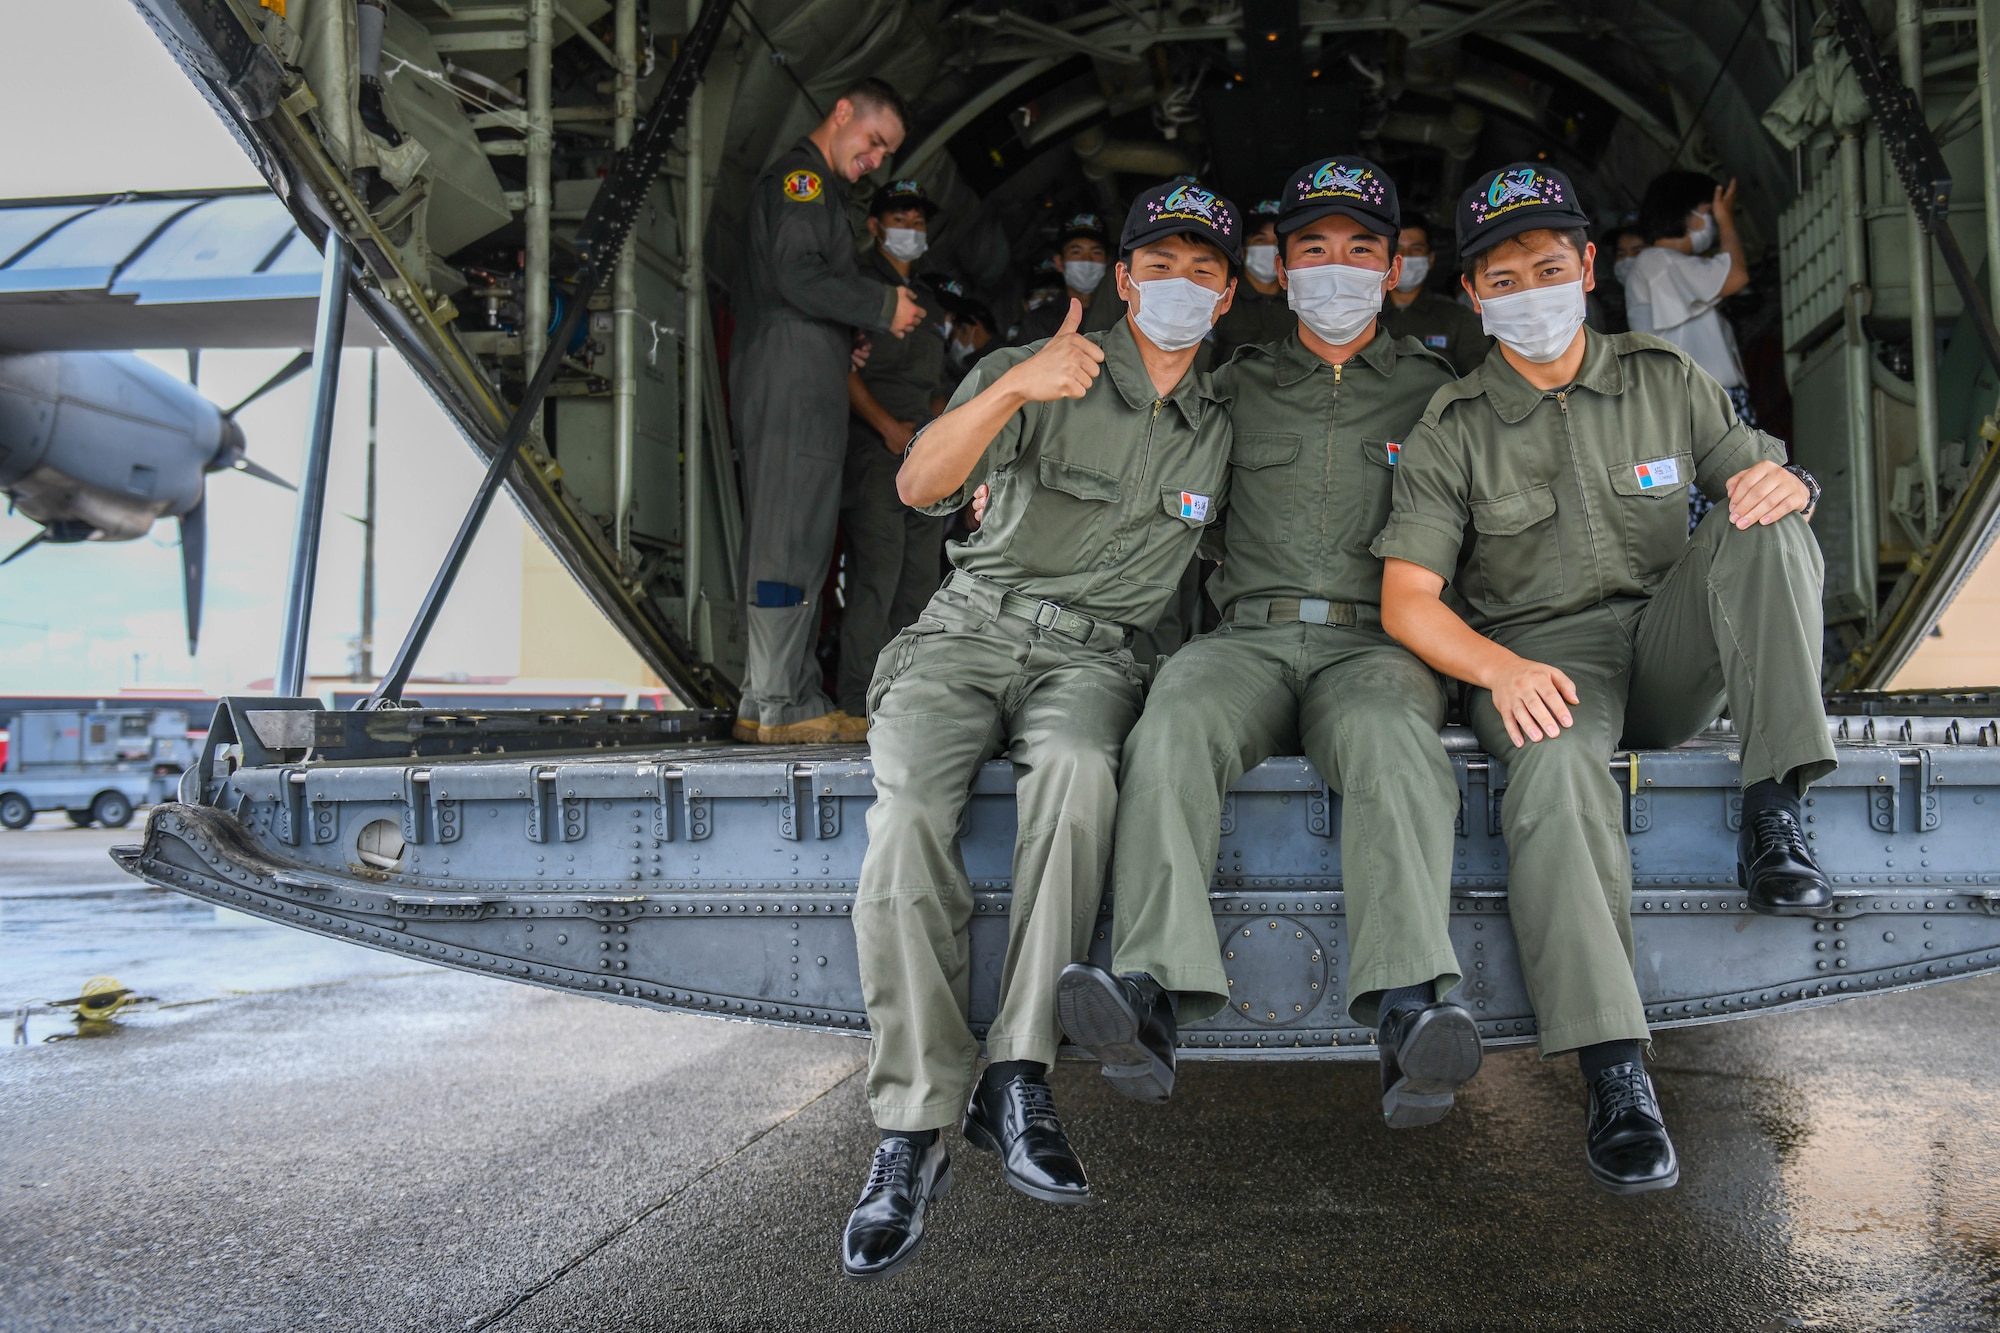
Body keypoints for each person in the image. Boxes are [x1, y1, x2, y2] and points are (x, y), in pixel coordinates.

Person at [1371, 162, 1838, 1196]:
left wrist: (1788, 477)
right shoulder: (1452, 425)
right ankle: (1614, 1071)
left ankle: (1774, 806)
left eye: (1547, 266)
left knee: (1764, 524)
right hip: (1545, 657)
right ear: (1477, 297)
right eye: (1502, 279)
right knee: (1549, 778)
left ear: (1584, 266)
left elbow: (1751, 466)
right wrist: (1496, 670)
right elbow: (1406, 600)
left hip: (1669, 637)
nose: (1528, 292)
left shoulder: (1664, 376)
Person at [840, 182, 1242, 1281]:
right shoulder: (1042, 369)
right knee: (908, 821)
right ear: (1121, 280)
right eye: (1158, 264)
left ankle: (1016, 1076)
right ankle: (911, 1127)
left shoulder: (1225, 421)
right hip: (967, 632)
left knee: (1073, 775)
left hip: (1097, 658)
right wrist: (1014, 383)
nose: (1179, 285)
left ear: (1229, 292)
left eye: (1203, 268)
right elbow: (922, 482)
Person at [1057, 155, 1475, 1131]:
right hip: (1243, 640)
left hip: (1377, 646)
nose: (1336, 269)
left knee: (1390, 742)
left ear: (1391, 267)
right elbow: (1145, 480)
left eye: (1359, 250)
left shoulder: (1435, 392)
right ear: (1276, 270)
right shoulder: (1230, 384)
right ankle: (1149, 998)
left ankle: (1410, 1008)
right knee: (1172, 719)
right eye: (1312, 251)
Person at [730, 79, 927, 744]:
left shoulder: (820, 190)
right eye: (874, 141)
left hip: (803, 369)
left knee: (799, 533)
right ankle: (784, 701)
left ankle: (770, 697)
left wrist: (850, 333)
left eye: (887, 152)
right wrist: (880, 305)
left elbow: (805, 288)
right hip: (791, 379)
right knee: (789, 534)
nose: (876, 159)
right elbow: (796, 274)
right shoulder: (802, 185)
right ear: (842, 113)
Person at [839, 180, 953, 719]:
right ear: (875, 225)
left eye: (917, 220)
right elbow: (839, 369)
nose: (910, 229)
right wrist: (886, 427)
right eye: (899, 219)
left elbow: (935, 383)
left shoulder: (928, 303)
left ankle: (910, 700)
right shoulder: (859, 287)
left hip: (925, 452)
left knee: (921, 582)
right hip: (876, 451)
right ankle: (858, 700)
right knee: (876, 576)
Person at [1626, 172, 1752, 529]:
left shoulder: (1665, 265)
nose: (1710, 222)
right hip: (1697, 403)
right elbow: (1736, 276)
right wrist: (1727, 222)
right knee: (1720, 503)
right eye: (1707, 213)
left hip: (1705, 400)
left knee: (1733, 500)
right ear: (1684, 214)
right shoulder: (1658, 261)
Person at [1381, 212, 1490, 373]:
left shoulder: (1458, 318)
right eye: (1398, 249)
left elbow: (1479, 378)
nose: (1406, 257)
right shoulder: (1364, 314)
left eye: (1416, 249)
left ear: (1430, 259)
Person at [1211, 198, 1294, 361]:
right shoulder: (1222, 298)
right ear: (1243, 250)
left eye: (1277, 242)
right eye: (1260, 240)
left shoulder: (1300, 300)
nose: (1271, 248)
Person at [1015, 212, 1111, 343]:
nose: (1087, 260)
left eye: (1096, 252)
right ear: (1059, 262)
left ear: (1107, 262)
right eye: (1076, 252)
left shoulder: (1126, 314)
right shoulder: (1038, 321)